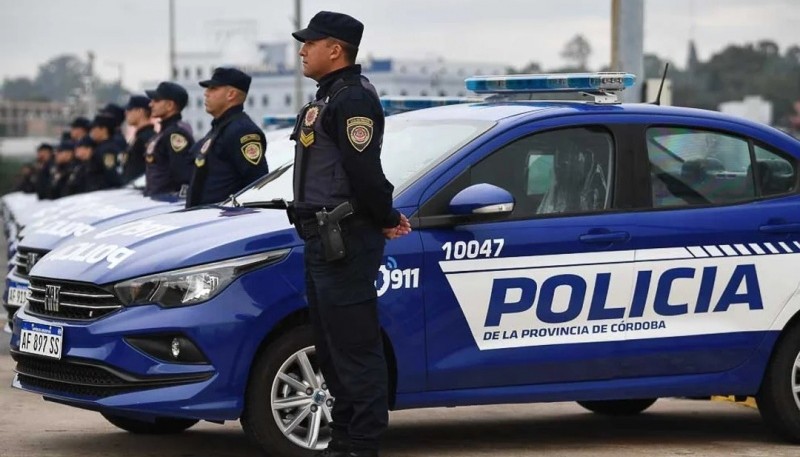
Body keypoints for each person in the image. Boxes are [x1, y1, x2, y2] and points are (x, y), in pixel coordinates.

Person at [290, 11, 411, 457]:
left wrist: (385, 216)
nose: (303, 50)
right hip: (321, 240)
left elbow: (364, 172)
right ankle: (342, 439)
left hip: (345, 239)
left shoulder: (353, 99)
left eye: (311, 43)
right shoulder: (330, 96)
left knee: (356, 349)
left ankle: (362, 443)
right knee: (331, 347)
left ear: (335, 50)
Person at [185, 67, 267, 208]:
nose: (206, 93)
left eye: (213, 88)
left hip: (223, 220)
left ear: (231, 94)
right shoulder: (220, 128)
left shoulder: (243, 131)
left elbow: (256, 183)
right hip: (205, 218)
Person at [144, 81, 195, 196]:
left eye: (156, 101)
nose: (150, 104)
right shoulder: (164, 133)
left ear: (170, 105)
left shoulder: (176, 134)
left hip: (166, 203)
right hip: (156, 200)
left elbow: (182, 174)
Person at [120, 95, 156, 184]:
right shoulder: (138, 137)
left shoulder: (148, 137)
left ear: (140, 111)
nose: (126, 113)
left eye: (129, 110)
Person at [86, 115, 121, 191]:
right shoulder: (101, 147)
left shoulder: (107, 150)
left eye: (94, 128)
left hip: (103, 191)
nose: (92, 132)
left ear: (103, 129)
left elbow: (110, 170)